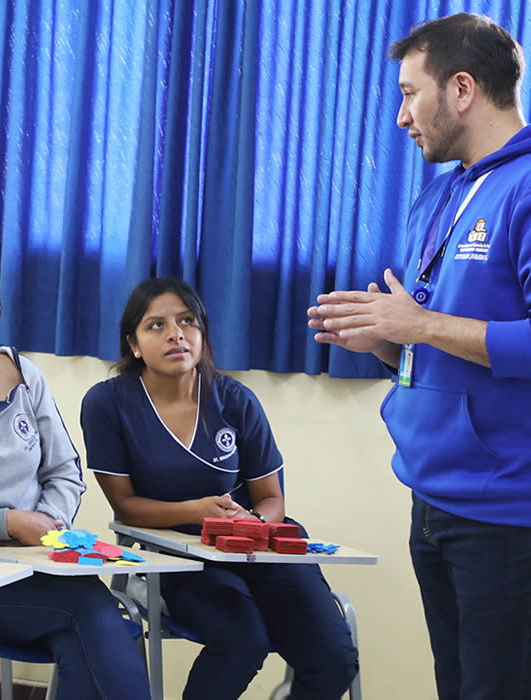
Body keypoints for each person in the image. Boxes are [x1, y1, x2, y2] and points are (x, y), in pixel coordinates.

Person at [308, 12, 531, 700]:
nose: (403, 115)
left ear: (462, 89)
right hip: (432, 498)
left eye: (411, 93)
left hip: (506, 516)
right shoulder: (439, 194)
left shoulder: (525, 187)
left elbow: (437, 324)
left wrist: (423, 323)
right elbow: (428, 339)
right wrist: (386, 341)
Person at [80, 277, 358, 700]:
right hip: (179, 560)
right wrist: (196, 513)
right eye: (156, 325)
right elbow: (126, 507)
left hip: (256, 550)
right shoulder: (107, 403)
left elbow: (271, 498)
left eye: (187, 321)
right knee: (242, 642)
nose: (175, 333)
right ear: (133, 344)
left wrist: (254, 526)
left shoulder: (235, 399)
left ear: (202, 333)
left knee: (334, 659)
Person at [0, 241, 151, 700]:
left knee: (91, 634)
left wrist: (47, 527)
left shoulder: (24, 373)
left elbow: (65, 471)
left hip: (42, 569)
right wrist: (7, 523)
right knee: (94, 617)